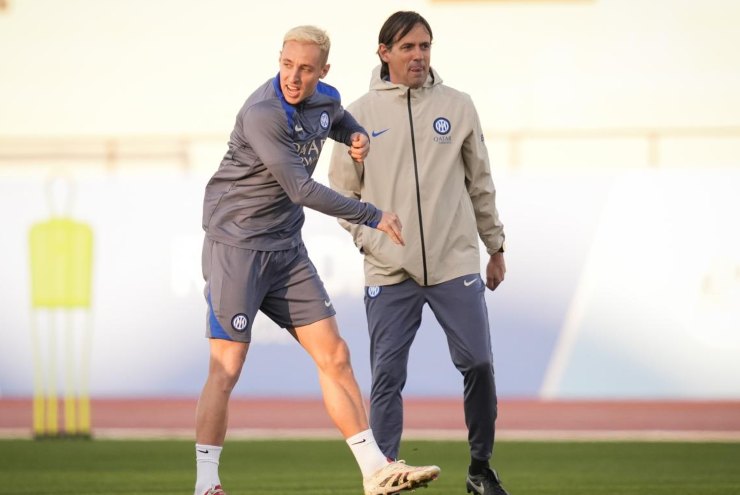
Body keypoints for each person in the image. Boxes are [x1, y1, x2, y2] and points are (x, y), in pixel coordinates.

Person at [195, 25, 440, 495]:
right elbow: (301, 190)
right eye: (287, 64)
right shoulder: (263, 113)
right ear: (280, 60)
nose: (293, 76)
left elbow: (336, 117)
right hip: (238, 248)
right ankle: (206, 485)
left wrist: (356, 134)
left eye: (306, 69)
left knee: (336, 354)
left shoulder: (325, 97)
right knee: (226, 369)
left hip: (285, 248)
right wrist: (372, 214)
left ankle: (375, 470)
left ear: (322, 71)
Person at [328, 11, 510, 495]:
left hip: (455, 263)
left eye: (425, 46)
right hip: (389, 270)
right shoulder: (355, 116)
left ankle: (480, 468)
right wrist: (372, 239)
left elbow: (480, 182)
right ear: (383, 52)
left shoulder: (459, 105)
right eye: (407, 47)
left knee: (479, 364)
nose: (418, 55)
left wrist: (495, 246)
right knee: (387, 375)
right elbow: (341, 194)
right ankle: (383, 474)